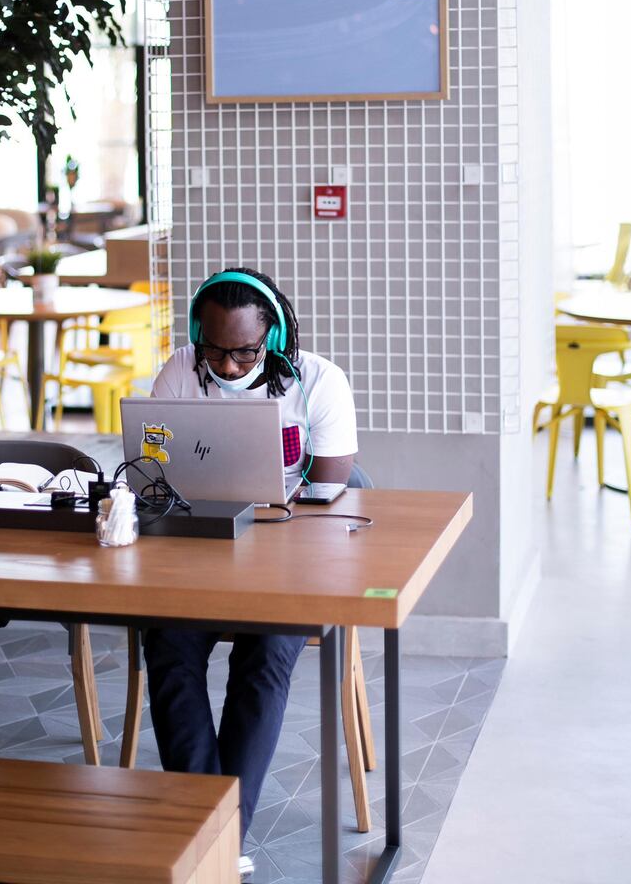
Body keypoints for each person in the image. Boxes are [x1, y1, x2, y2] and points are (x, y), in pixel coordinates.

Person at [144, 267, 358, 878]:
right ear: (197, 337)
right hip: (199, 551)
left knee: (263, 657)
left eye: (244, 351)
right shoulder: (181, 371)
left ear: (276, 336)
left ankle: (218, 834)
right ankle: (207, 824)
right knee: (167, 643)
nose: (230, 366)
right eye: (215, 350)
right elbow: (154, 469)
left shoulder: (317, 381)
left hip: (292, 560)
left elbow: (333, 490)